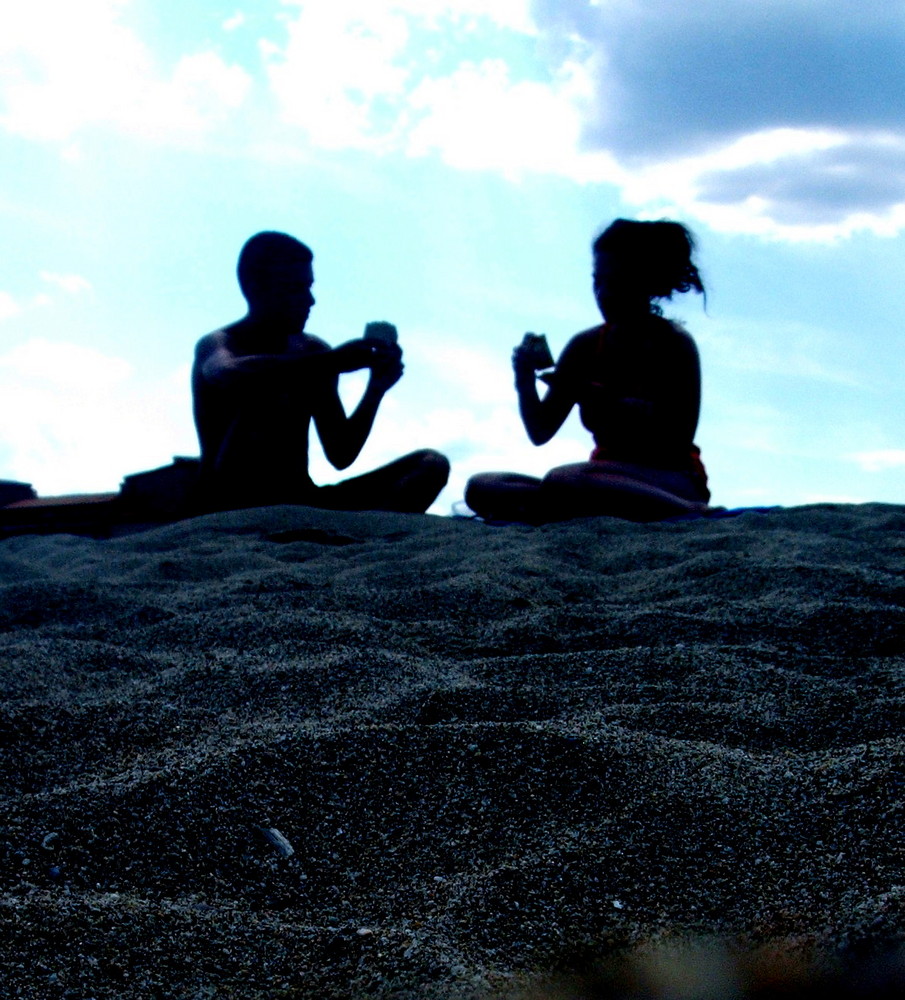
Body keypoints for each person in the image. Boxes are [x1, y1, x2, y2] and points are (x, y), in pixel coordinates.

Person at [465, 218, 711, 523]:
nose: (604, 293)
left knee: (566, 481)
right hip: (601, 477)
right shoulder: (585, 346)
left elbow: (676, 438)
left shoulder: (673, 344)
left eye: (617, 281)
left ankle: (689, 511)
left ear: (645, 282)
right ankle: (572, 506)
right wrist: (524, 382)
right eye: (598, 281)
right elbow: (540, 431)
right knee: (484, 486)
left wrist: (603, 401)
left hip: (669, 478)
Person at [192, 231, 449, 513]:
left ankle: (354, 537)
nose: (310, 300)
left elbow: (340, 453)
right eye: (295, 288)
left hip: (302, 500)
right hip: (230, 504)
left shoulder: (313, 350)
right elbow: (229, 375)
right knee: (263, 387)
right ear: (255, 288)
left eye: (308, 287)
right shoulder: (221, 343)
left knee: (430, 465)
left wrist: (375, 389)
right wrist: (334, 361)